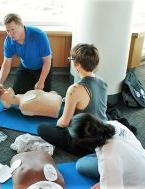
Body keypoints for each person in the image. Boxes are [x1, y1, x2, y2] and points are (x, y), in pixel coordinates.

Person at [37, 43, 107, 177]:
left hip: (83, 143)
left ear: (78, 65)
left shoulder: (75, 89)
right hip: (102, 134)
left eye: (71, 59)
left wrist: (58, 126)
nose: (71, 61)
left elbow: (63, 123)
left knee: (42, 127)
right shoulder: (103, 82)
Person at [68, 113, 145, 189]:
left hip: (136, 184)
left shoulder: (108, 159)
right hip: (138, 166)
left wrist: (105, 182)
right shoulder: (112, 124)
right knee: (83, 164)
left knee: (81, 165)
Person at [0, 13, 53, 95]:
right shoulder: (8, 41)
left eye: (13, 29)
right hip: (25, 66)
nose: (10, 34)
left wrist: (41, 81)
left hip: (43, 65)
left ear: (22, 25)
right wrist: (0, 82)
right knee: (17, 93)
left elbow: (47, 61)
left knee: (43, 95)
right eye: (7, 31)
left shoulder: (39, 35)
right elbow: (6, 64)